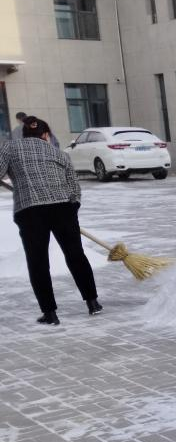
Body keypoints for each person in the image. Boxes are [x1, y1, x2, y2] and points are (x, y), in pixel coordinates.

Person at [0, 117, 102, 326]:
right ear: (46, 135)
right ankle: (93, 303)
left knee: (38, 262)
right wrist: (72, 208)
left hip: (30, 210)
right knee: (76, 255)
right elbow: (74, 186)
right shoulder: (59, 153)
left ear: (24, 134)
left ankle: (50, 313)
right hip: (63, 208)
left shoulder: (9, 148)